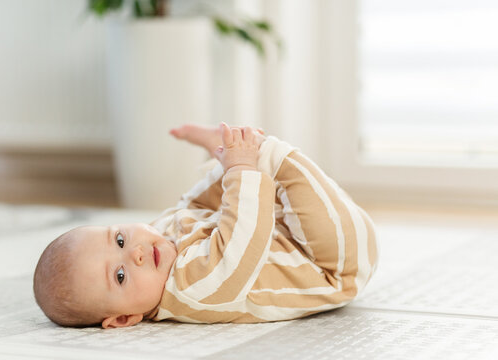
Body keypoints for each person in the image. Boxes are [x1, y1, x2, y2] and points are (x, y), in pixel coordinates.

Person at [33, 122, 378, 328]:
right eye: (120, 276)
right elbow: (242, 240)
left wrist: (224, 167)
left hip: (282, 231)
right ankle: (255, 151)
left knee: (216, 195)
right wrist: (241, 169)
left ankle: (227, 149)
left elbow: (193, 206)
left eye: (120, 239)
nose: (135, 253)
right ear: (124, 319)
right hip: (333, 265)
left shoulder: (154, 245)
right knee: (282, 163)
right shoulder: (189, 288)